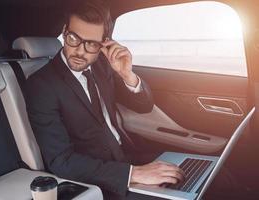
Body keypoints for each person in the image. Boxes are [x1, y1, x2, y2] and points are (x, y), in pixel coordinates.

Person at [25, 0, 184, 199]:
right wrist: (132, 174)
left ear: (103, 43)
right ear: (65, 31)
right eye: (73, 38)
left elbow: (144, 106)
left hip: (127, 156)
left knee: (214, 177)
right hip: (98, 178)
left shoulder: (103, 65)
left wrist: (127, 75)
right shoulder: (42, 85)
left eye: (91, 44)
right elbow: (61, 161)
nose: (80, 51)